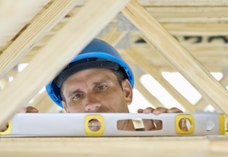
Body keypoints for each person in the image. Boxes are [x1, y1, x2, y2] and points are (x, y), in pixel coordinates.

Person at [24, 38, 183, 131]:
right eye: (77, 96)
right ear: (66, 108)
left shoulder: (165, 146)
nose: (91, 104)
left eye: (101, 87)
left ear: (126, 91)